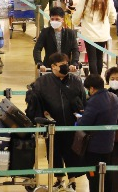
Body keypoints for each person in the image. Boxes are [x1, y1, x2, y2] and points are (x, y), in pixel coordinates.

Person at [27, 53, 85, 191]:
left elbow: (83, 101)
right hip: (52, 126)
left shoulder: (75, 80)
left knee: (72, 152)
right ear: (53, 67)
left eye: (66, 63)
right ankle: (59, 180)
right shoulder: (43, 82)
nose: (65, 67)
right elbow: (35, 101)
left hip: (71, 125)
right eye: (61, 65)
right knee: (54, 153)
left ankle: (72, 180)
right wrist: (42, 115)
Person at [77, 74, 118, 192]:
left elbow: (84, 124)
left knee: (93, 177)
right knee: (107, 175)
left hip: (94, 147)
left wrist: (78, 119)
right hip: (109, 145)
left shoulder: (94, 100)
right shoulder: (114, 97)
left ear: (91, 88)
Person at [72, 0, 116, 75]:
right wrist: (109, 23)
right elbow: (113, 16)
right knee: (99, 58)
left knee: (92, 58)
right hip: (103, 34)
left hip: (89, 34)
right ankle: (98, 79)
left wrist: (76, 23)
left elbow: (76, 16)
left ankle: (93, 80)